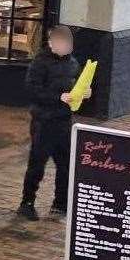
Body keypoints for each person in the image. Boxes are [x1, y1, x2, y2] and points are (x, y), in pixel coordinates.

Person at [17, 25, 90, 221]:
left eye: (69, 43)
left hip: (64, 121)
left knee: (65, 165)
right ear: (52, 43)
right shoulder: (40, 63)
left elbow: (75, 88)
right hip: (44, 121)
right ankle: (27, 202)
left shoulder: (73, 63)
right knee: (37, 164)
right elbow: (33, 90)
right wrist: (59, 97)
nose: (67, 47)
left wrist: (83, 94)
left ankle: (60, 204)